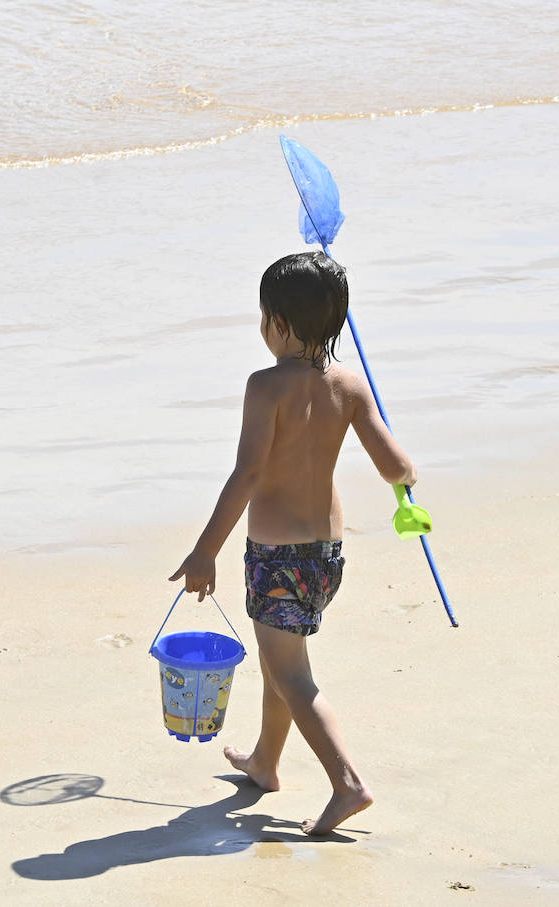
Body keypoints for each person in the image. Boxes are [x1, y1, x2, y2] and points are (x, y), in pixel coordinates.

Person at [168, 251, 418, 836]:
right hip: (326, 558)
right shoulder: (348, 384)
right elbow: (397, 467)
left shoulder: (265, 386)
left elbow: (247, 474)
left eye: (263, 314)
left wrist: (206, 549)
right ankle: (265, 762)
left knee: (290, 674)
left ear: (278, 322)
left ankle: (347, 782)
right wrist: (408, 483)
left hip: (276, 557)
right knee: (282, 661)